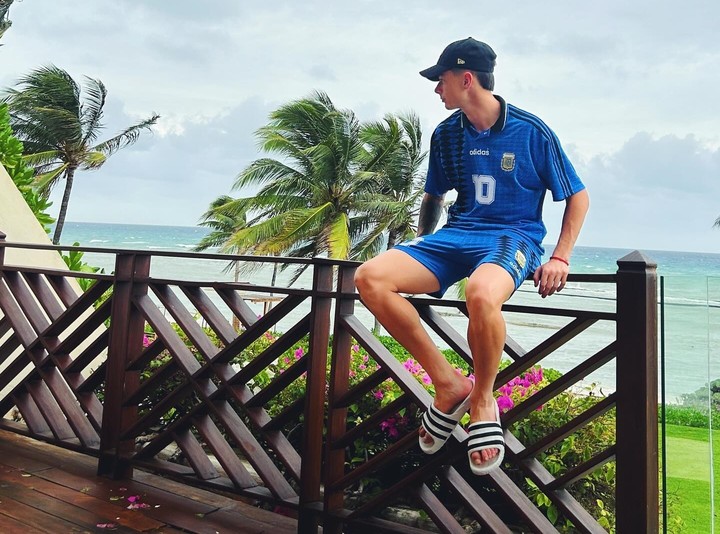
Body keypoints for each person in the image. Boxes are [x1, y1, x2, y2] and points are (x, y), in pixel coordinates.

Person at [354, 37, 589, 475]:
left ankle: (482, 397)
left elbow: (576, 195)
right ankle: (447, 383)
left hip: (512, 236)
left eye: (439, 79)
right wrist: (420, 242)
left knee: (481, 294)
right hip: (456, 236)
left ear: (466, 79)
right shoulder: (446, 133)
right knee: (370, 277)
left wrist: (560, 257)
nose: (435, 89)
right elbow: (434, 195)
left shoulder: (531, 131)